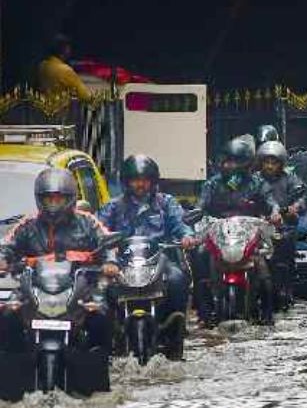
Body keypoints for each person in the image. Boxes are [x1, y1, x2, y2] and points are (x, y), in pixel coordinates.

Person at [0, 168, 117, 355]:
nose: (53, 204)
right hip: (34, 287)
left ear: (70, 199)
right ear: (40, 199)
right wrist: (3, 260)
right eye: (49, 199)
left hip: (80, 285)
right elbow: (7, 245)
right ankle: (13, 358)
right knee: (7, 312)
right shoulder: (28, 225)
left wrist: (110, 263)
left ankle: (99, 358)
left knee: (100, 313)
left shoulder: (87, 222)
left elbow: (107, 242)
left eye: (59, 199)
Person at [98, 155, 198, 341]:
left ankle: (175, 327)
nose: (140, 184)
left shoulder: (166, 203)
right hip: (122, 264)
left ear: (153, 182)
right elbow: (99, 231)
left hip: (160, 260)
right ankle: (109, 334)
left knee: (177, 280)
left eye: (144, 180)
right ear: (126, 182)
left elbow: (180, 223)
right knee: (101, 289)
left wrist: (187, 236)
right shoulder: (113, 207)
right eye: (135, 180)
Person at [197, 137, 281, 325]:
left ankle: (267, 314)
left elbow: (270, 202)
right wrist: (195, 212)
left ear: (245, 164)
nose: (228, 165)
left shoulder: (256, 184)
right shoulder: (212, 184)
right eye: (226, 160)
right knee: (200, 255)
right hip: (218, 236)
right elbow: (200, 205)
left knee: (266, 262)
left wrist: (275, 212)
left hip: (249, 237)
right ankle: (204, 312)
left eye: (233, 161)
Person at [256, 140, 307, 309]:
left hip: (283, 226)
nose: (270, 166)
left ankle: (286, 287)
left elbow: (302, 198)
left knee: (285, 249)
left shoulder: (290, 179)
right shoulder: (254, 180)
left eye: (274, 162)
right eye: (266, 162)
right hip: (257, 225)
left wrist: (295, 207)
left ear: (281, 163)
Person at [36, 34, 89, 99]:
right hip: (62, 108)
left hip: (44, 107)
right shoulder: (66, 70)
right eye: (68, 48)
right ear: (64, 50)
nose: (70, 51)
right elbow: (84, 96)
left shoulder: (42, 66)